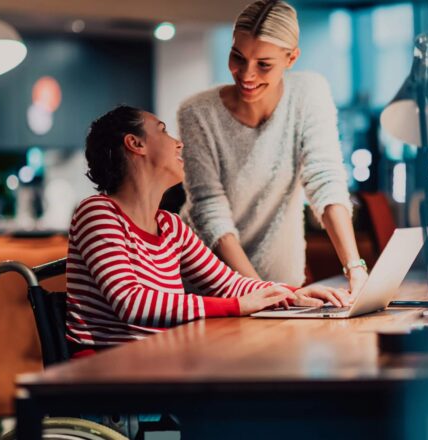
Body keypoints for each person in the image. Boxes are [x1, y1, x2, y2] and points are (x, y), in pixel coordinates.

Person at [65, 106, 350, 353]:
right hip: (109, 368)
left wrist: (293, 294)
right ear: (135, 144)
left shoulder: (170, 226)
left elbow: (230, 284)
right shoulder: (98, 213)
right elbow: (131, 302)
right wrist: (238, 306)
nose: (178, 143)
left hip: (160, 360)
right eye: (163, 131)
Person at [178, 0, 367, 291]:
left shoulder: (308, 93)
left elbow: (325, 180)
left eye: (264, 64)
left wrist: (354, 268)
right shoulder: (197, 113)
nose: (246, 74)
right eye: (237, 57)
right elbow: (209, 211)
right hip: (213, 286)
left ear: (291, 59)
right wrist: (260, 291)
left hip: (282, 281)